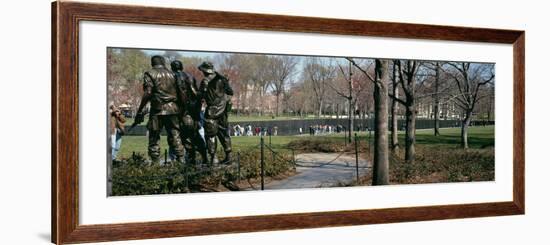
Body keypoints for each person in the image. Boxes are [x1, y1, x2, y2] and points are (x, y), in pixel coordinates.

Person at [134, 55, 184, 164]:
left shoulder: (150, 73)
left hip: (158, 110)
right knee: (175, 134)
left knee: (154, 137)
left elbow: (148, 92)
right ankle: (181, 160)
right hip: (173, 110)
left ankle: (155, 164)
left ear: (152, 63)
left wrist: (140, 110)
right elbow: (181, 92)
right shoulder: (173, 74)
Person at [171, 60, 207, 165]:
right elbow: (196, 94)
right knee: (194, 136)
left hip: (180, 112)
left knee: (183, 136)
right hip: (191, 112)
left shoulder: (173, 77)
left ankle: (189, 159)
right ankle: (201, 157)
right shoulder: (190, 76)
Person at [198, 61, 234, 165]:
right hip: (222, 111)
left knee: (210, 135)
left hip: (212, 112)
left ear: (205, 70)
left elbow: (200, 96)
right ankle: (229, 156)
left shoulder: (205, 81)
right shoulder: (221, 79)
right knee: (224, 134)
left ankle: (214, 159)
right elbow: (230, 92)